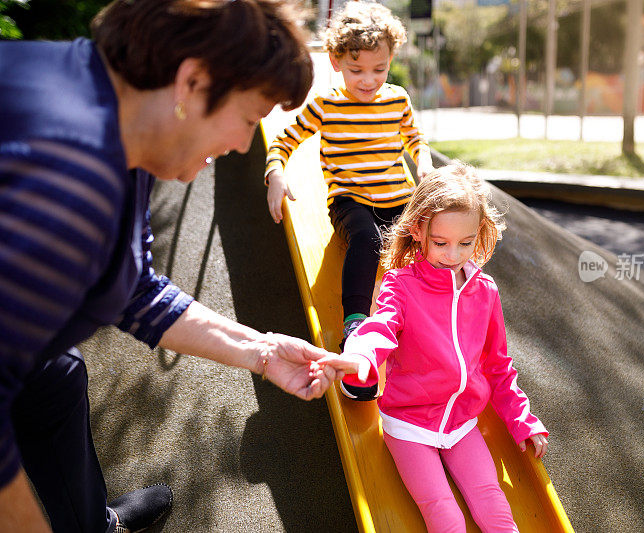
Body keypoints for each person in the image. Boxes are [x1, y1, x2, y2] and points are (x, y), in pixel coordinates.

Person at [0, 1, 362, 531]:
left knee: (55, 376)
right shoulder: (71, 174)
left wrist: (261, 351)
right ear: (192, 81)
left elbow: (134, 289)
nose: (242, 144)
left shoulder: (122, 121)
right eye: (247, 119)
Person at [337, 163, 550, 532]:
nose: (453, 255)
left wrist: (521, 418)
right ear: (418, 229)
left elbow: (499, 365)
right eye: (441, 243)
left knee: (494, 502)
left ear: (479, 233)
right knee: (446, 515)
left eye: (466, 243)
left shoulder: (484, 292)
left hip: (462, 423)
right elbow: (381, 326)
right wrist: (362, 353)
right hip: (409, 424)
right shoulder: (401, 286)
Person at [265, 0, 434, 348]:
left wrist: (425, 163)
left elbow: (416, 140)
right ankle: (355, 323)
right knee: (368, 239)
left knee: (428, 238)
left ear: (391, 62)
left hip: (398, 199)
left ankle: (431, 312)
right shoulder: (326, 106)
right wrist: (276, 173)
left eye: (380, 69)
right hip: (350, 202)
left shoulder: (398, 100)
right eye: (357, 70)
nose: (369, 80)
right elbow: (283, 141)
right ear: (336, 61)